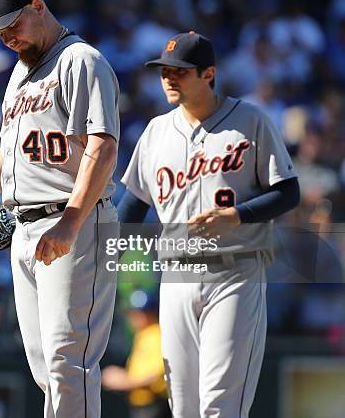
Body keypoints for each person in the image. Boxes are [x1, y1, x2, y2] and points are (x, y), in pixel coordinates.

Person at [118, 31, 300, 417]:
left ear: (209, 74)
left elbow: (289, 192)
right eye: (164, 71)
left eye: (180, 71)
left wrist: (238, 215)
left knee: (220, 404)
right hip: (176, 277)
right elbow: (130, 211)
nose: (168, 78)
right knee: (183, 405)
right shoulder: (155, 132)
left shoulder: (251, 120)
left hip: (236, 272)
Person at [0, 0, 120, 418]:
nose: (9, 37)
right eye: (0, 32)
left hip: (74, 219)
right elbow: (11, 147)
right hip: (24, 227)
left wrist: (71, 219)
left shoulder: (81, 60)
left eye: (14, 24)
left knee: (68, 361)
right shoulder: (17, 73)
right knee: (44, 368)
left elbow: (103, 146)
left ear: (38, 6)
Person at [102, 291, 171, 418]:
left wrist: (124, 380)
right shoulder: (142, 335)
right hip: (143, 405)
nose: (134, 317)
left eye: (140, 313)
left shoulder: (156, 334)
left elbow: (156, 376)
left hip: (155, 405)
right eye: (132, 313)